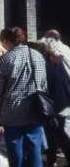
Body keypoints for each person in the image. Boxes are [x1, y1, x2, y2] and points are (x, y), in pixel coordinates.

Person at [0, 27, 47, 167]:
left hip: (12, 110)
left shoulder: (5, 59)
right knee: (35, 148)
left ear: (7, 41)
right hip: (35, 108)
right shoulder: (38, 55)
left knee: (15, 150)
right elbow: (43, 83)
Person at [39, 38, 70, 167]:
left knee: (59, 136)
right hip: (58, 105)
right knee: (57, 136)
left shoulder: (54, 64)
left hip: (60, 105)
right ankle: (52, 160)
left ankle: (52, 160)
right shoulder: (52, 64)